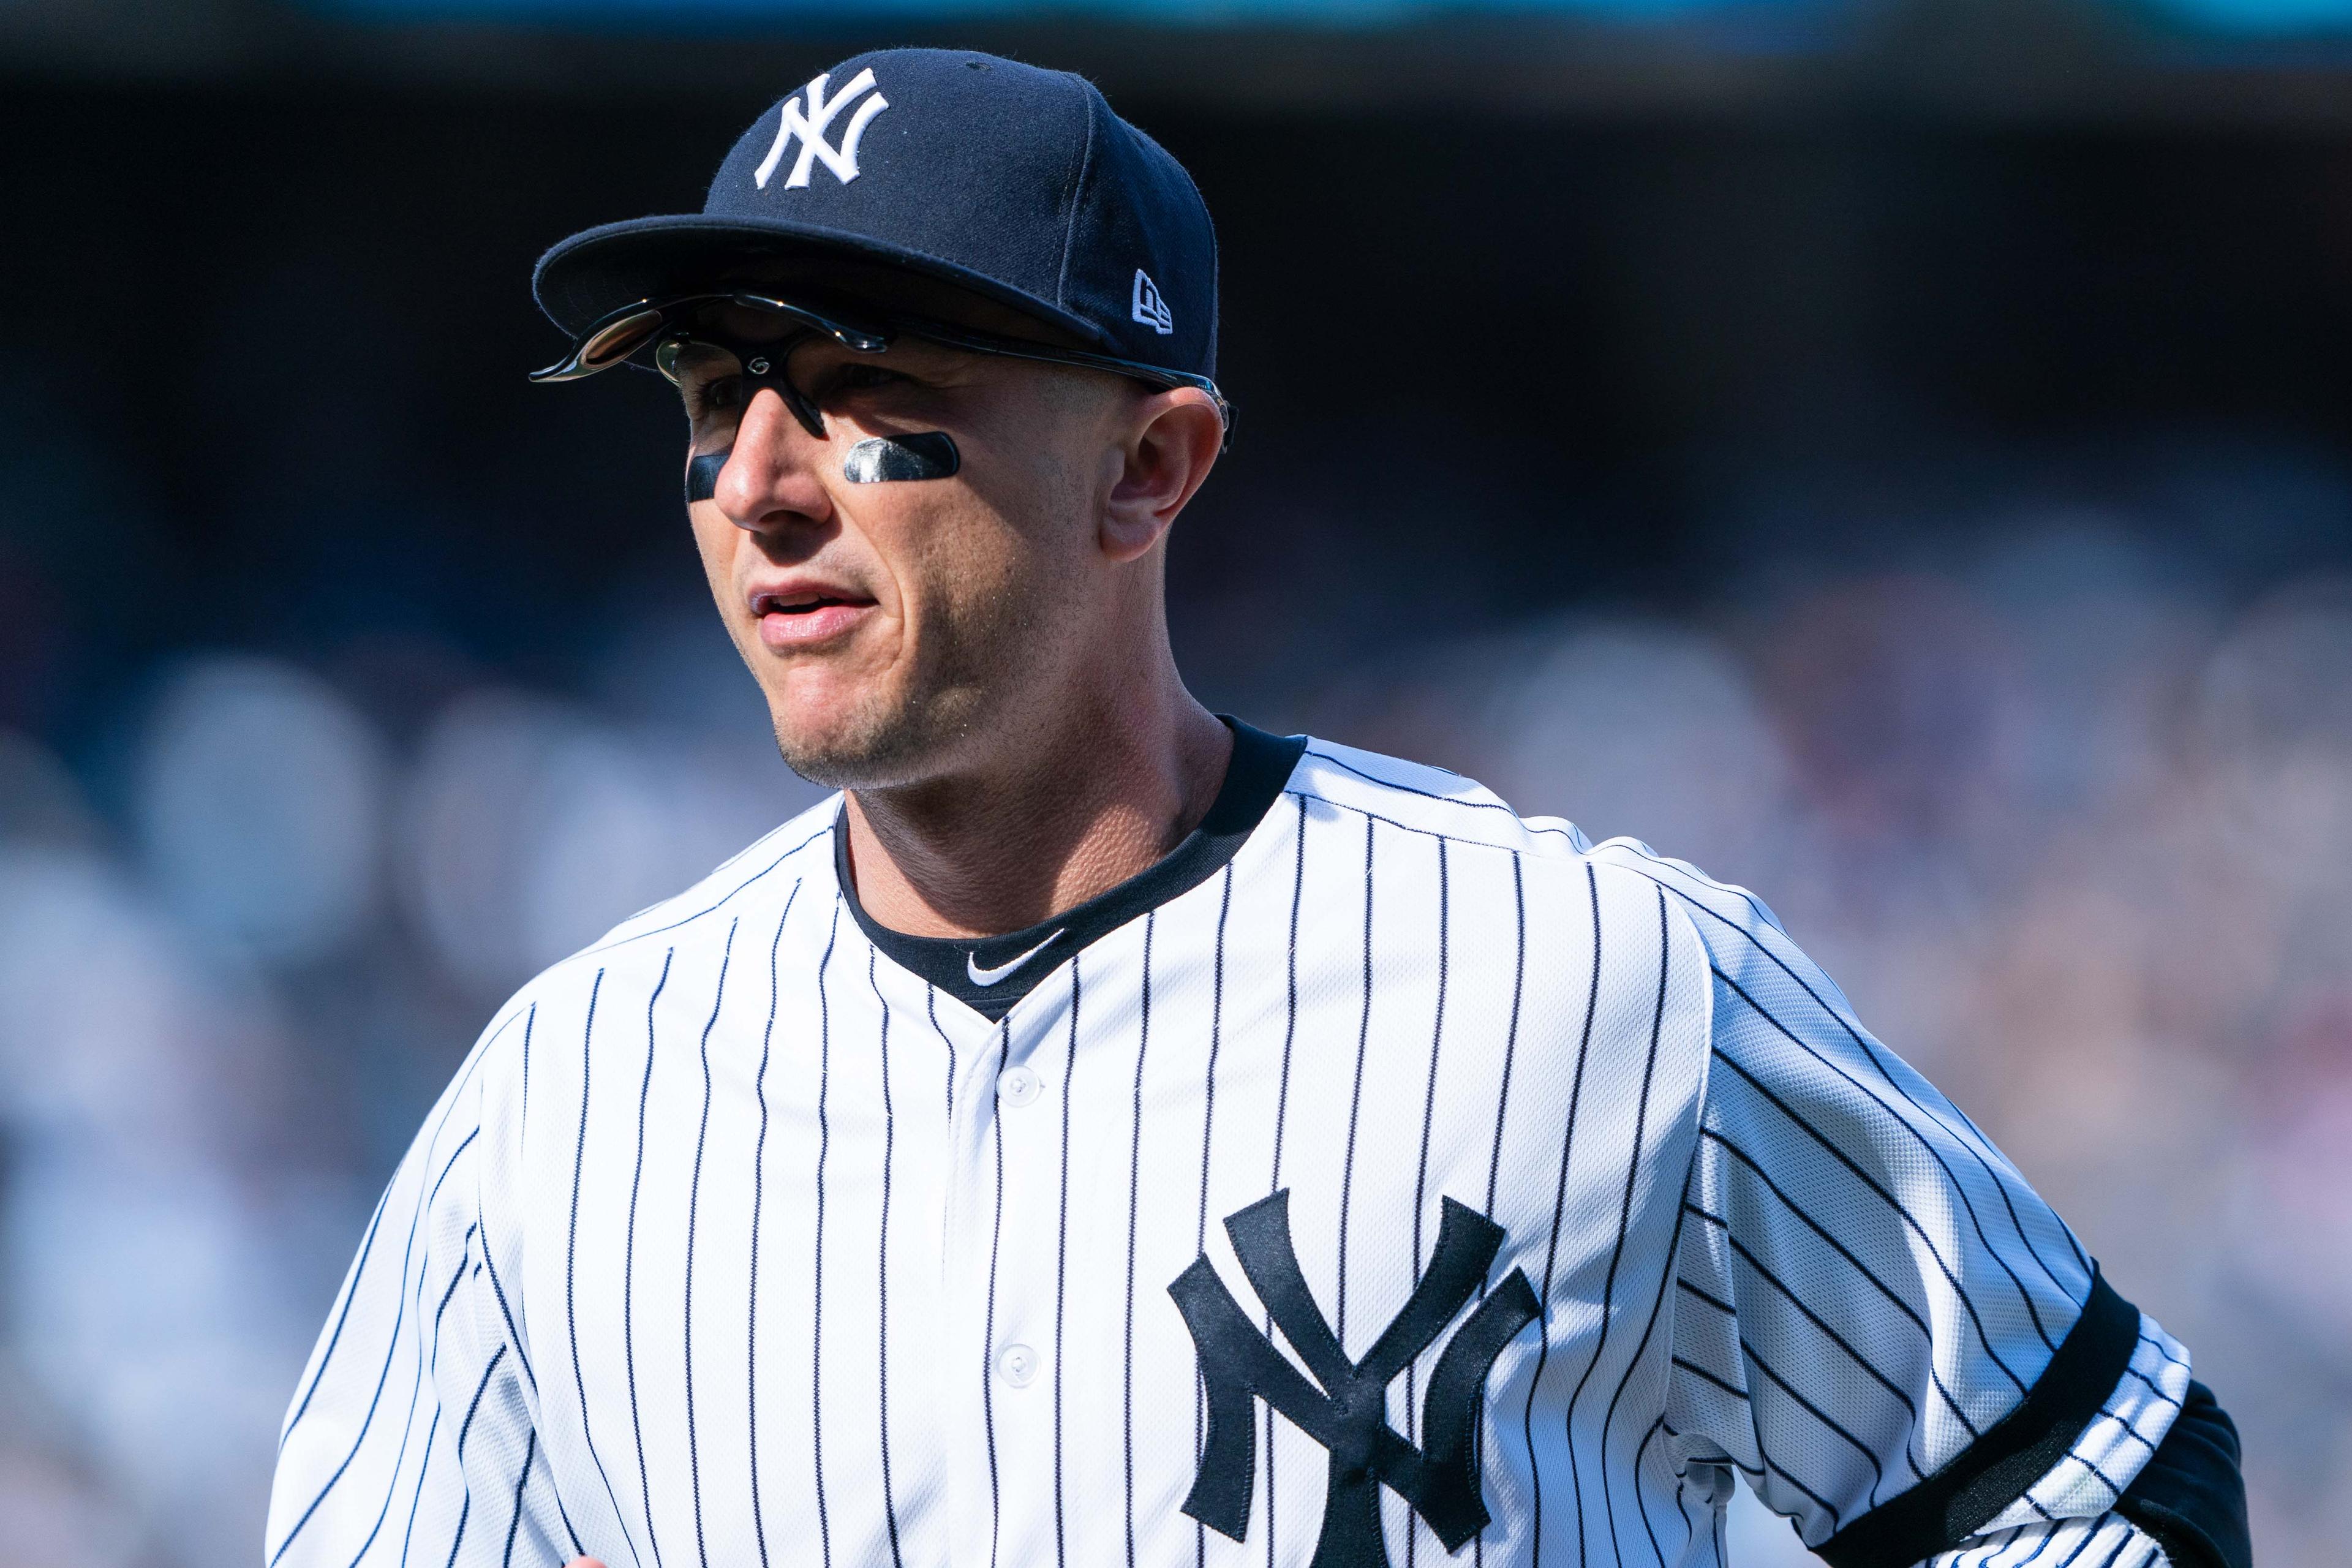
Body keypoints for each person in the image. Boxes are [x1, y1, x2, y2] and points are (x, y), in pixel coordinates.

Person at [263, 47, 2248, 1568]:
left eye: (862, 389)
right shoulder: (564, 1103)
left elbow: (2103, 1491)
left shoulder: (1593, 984)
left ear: (1152, 465)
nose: (765, 483)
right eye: (713, 400)